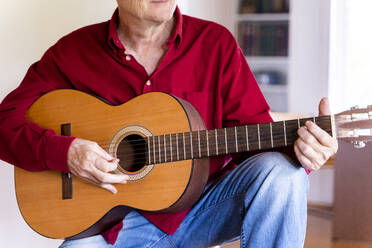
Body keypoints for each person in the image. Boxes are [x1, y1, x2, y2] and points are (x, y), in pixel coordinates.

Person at [0, 0, 338, 247]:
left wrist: (305, 151)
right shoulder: (72, 52)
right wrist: (66, 152)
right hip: (115, 228)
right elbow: (5, 123)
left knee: (283, 172)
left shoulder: (215, 44)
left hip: (206, 210)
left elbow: (255, 147)